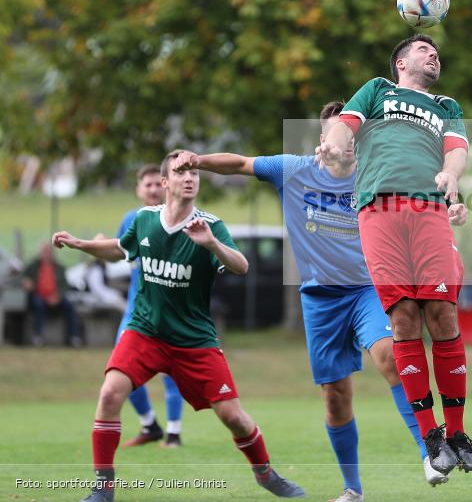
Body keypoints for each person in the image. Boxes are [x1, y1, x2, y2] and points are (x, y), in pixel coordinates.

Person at [171, 99, 464, 501]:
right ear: (323, 139)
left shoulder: (374, 176)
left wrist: (450, 207)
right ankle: (353, 490)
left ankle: (431, 453)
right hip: (319, 299)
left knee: (389, 357)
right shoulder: (293, 170)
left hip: (367, 290)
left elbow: (421, 199)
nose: (345, 139)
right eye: (337, 132)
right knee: (335, 397)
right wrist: (198, 160)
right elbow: (239, 163)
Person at [52, 150, 304, 502]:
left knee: (234, 417)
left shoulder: (210, 225)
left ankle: (265, 474)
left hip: (193, 340)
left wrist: (212, 245)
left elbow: (241, 265)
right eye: (181, 173)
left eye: (194, 173)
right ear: (166, 182)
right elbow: (120, 250)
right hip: (145, 331)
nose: (190, 178)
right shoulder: (144, 219)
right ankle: (102, 489)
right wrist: (82, 245)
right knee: (109, 393)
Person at [317, 34, 472, 477]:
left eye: (437, 53)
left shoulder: (446, 105)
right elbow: (344, 124)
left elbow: (458, 148)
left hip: (428, 210)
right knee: (405, 316)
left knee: (442, 314)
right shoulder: (377, 90)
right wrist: (333, 144)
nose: (434, 55)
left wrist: (450, 172)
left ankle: (458, 433)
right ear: (401, 62)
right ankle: (431, 438)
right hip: (378, 211)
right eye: (424, 51)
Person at [114, 164, 186, 448]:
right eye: (148, 184)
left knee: (171, 371)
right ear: (139, 190)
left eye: (158, 183)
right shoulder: (132, 219)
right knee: (120, 368)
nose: (154, 189)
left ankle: (174, 433)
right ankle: (149, 425)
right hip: (137, 311)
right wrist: (95, 245)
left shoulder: (180, 218)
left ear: (167, 185)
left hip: (171, 309)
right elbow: (118, 251)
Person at [22, 242, 81, 347]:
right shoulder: (32, 266)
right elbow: (22, 278)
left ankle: (73, 337)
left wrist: (57, 296)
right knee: (38, 305)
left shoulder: (59, 268)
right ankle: (38, 337)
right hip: (39, 297)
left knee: (70, 306)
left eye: (48, 252)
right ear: (40, 253)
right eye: (44, 252)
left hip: (56, 298)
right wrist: (26, 282)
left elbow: (64, 285)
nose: (46, 254)